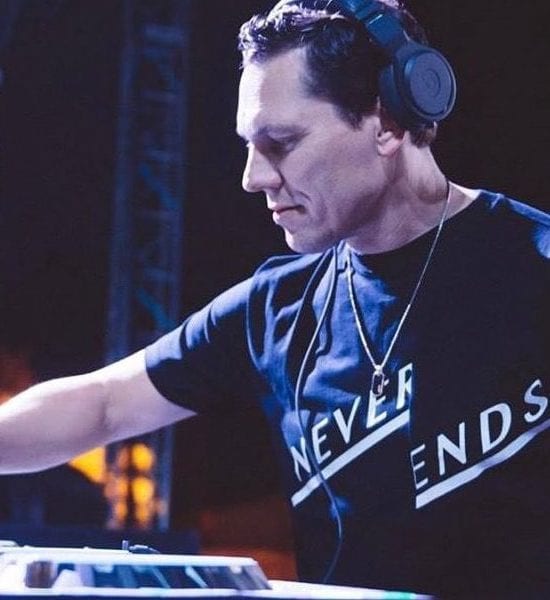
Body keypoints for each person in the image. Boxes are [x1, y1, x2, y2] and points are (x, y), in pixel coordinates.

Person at [0, 0, 548, 596]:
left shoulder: (533, 267)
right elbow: (104, 403)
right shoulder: (276, 309)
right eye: (248, 146)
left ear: (388, 123)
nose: (253, 177)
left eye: (281, 142)